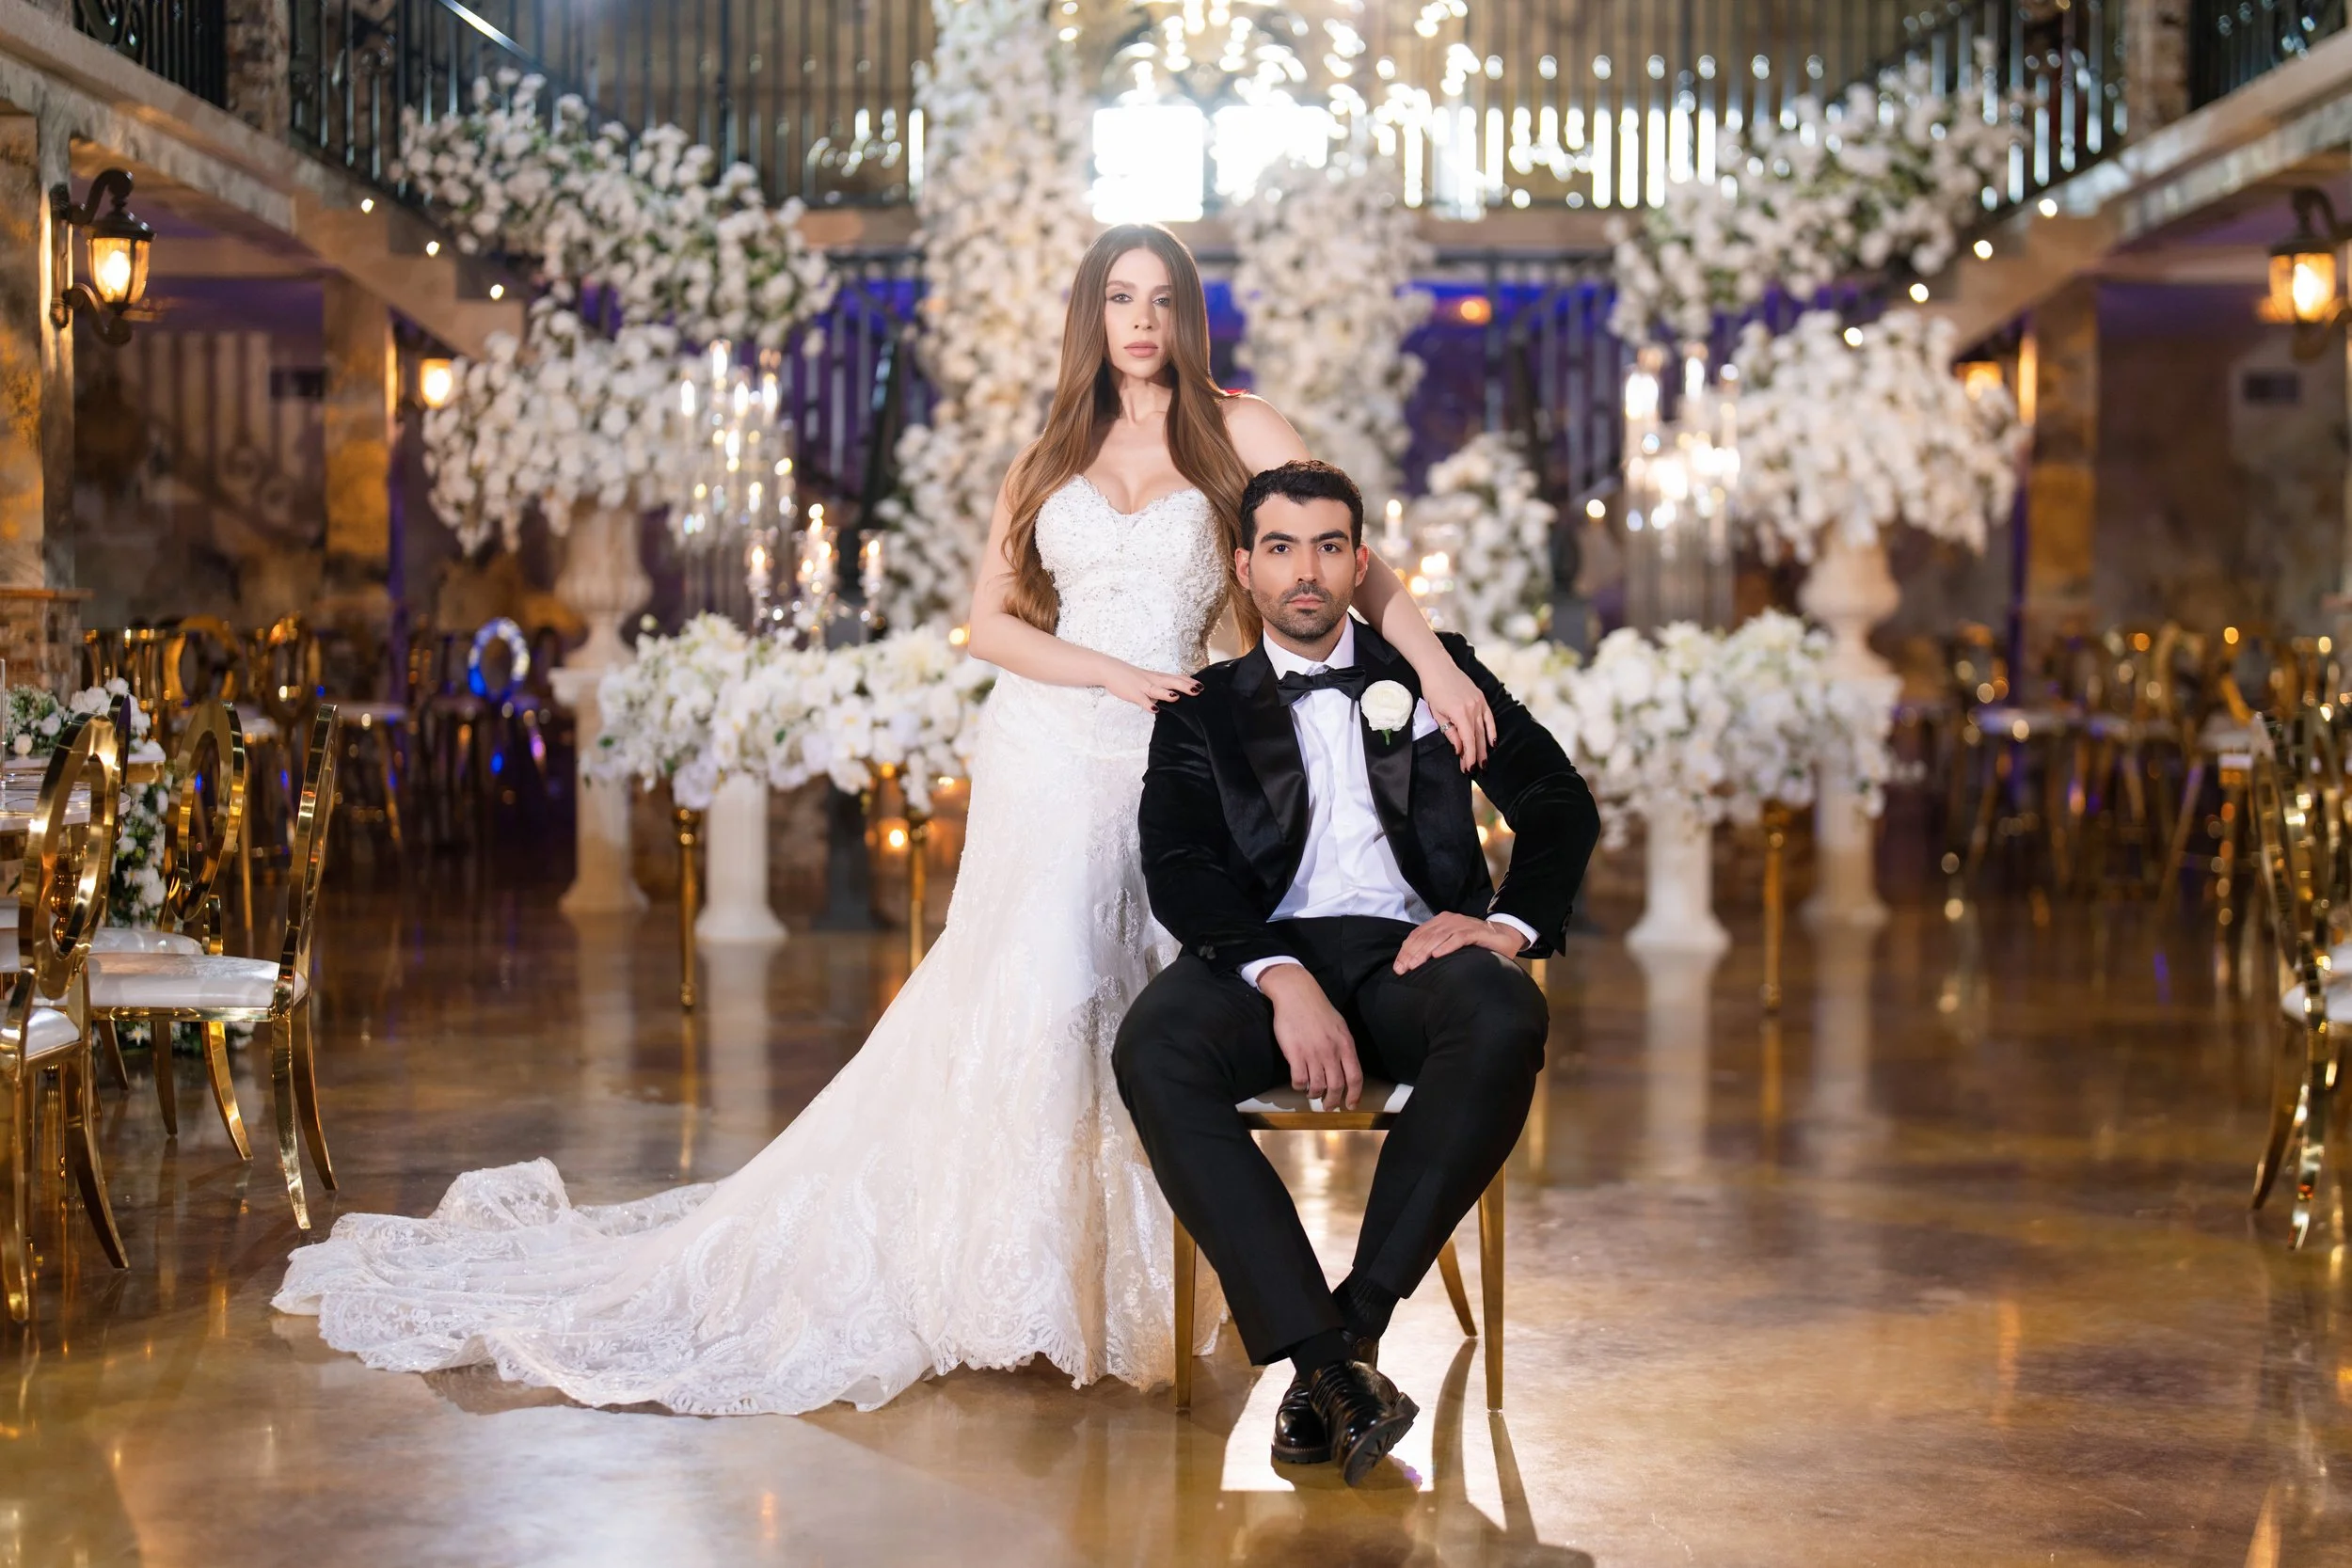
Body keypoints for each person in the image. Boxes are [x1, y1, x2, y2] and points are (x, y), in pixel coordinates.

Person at [272, 224, 1498, 1416]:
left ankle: (1130, 1284)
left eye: (1162, 298)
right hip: (1051, 739)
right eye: (1121, 298)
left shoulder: (1243, 426)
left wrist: (1436, 668)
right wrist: (1106, 670)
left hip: (1179, 748)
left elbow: (1351, 561)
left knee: (1144, 988)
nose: (1142, 321)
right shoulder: (1050, 448)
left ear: (1188, 312)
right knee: (1038, 986)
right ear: (1094, 315)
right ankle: (1013, 1286)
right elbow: (994, 626)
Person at [1114, 459, 1598, 1484]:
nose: (1306, 570)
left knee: (1503, 1019)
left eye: (1329, 546)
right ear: (1244, 568)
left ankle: (1346, 1336)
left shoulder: (1437, 672)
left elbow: (1558, 803)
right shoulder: (1201, 707)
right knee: (1154, 1046)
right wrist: (1277, 974)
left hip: (1410, 953)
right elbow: (1180, 865)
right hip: (1266, 948)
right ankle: (1328, 1361)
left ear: (1361, 560)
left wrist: (1504, 926)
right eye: (1281, 548)